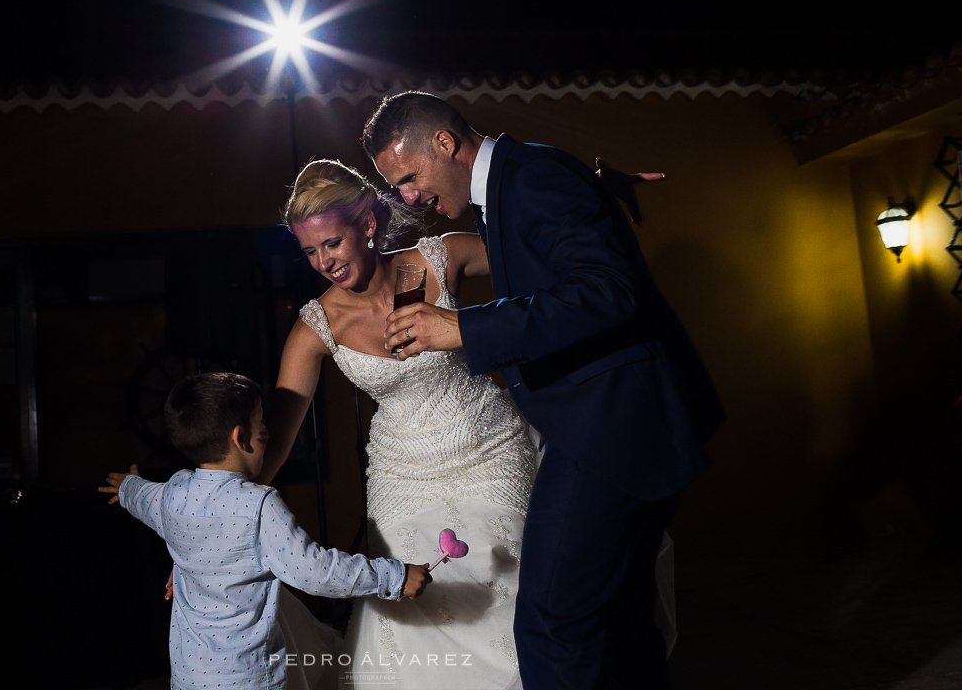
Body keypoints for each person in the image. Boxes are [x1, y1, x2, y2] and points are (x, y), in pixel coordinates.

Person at [364, 92, 725, 690]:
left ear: (445, 144)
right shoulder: (516, 179)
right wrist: (600, 185)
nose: (406, 197)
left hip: (608, 429)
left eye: (407, 177)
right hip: (611, 423)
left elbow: (609, 291)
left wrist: (464, 327)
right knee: (618, 620)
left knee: (553, 623)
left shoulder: (533, 175)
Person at [264, 158, 665, 689]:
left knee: (523, 590)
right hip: (401, 479)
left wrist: (584, 189)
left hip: (488, 449)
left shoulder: (438, 256)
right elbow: (277, 438)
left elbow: (537, 243)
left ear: (366, 226)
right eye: (310, 252)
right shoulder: (315, 326)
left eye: (332, 244)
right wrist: (212, 524)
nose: (324, 262)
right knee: (406, 605)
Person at [101, 371, 431, 690]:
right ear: (240, 437)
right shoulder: (258, 506)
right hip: (248, 678)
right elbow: (316, 572)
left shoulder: (173, 492)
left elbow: (144, 499)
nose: (267, 431)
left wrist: (128, 486)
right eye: (261, 422)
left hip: (190, 676)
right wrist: (394, 577)